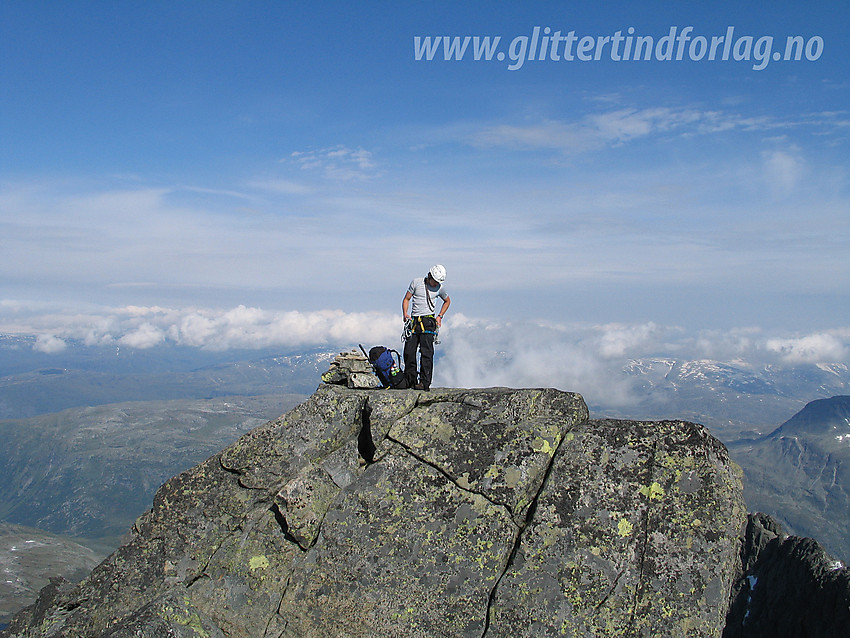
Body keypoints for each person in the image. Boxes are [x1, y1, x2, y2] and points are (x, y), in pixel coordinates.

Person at [402, 264, 451, 391]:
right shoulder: (416, 283)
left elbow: (447, 301)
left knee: (427, 353)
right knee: (409, 352)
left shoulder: (440, 288)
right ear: (430, 276)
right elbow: (406, 299)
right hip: (414, 321)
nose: (435, 284)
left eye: (438, 282)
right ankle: (410, 380)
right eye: (435, 281)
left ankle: (424, 383)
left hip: (428, 321)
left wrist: (440, 316)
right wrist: (405, 314)